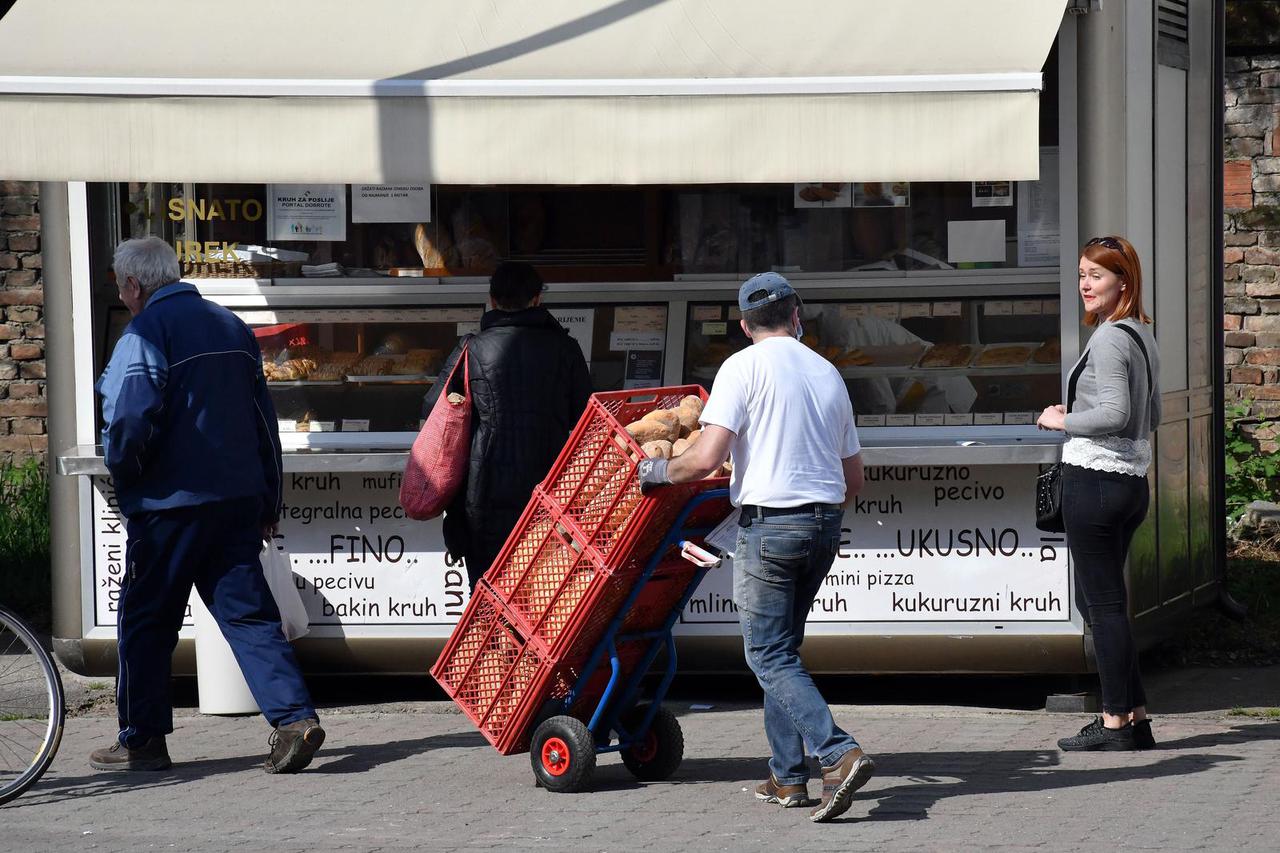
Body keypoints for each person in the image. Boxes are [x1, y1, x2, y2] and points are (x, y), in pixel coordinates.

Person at [639, 272, 875, 823]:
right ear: (798, 317)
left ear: (744, 326)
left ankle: (837, 753)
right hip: (822, 525)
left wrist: (655, 470)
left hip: (771, 526)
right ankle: (788, 777)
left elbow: (701, 460)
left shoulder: (739, 368)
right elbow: (854, 479)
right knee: (783, 652)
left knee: (766, 654)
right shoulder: (828, 371)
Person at [91, 237, 324, 774]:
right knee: (248, 616)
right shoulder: (230, 325)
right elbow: (265, 423)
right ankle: (294, 721)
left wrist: (126, 474)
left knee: (146, 622)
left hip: (169, 506)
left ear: (133, 285)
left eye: (121, 287)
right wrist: (269, 496)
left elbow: (127, 418)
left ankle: (143, 740)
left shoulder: (145, 331)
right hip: (237, 500)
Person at [1036, 235, 1161, 751]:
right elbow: (1151, 416)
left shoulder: (1111, 338)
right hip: (1129, 482)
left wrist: (1062, 420)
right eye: (1082, 274)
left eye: (1098, 276)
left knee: (1102, 606)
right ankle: (1135, 715)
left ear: (1123, 283)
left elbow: (1117, 414)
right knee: (1101, 603)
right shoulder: (1140, 335)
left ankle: (1114, 722)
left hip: (1097, 482)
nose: (1086, 284)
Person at [423, 261, 593, 589]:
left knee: (488, 595)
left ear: (491, 300)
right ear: (537, 300)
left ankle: (490, 642)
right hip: (548, 490)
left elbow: (433, 406)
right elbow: (585, 416)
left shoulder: (471, 349)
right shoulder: (565, 348)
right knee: (543, 592)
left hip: (483, 492)